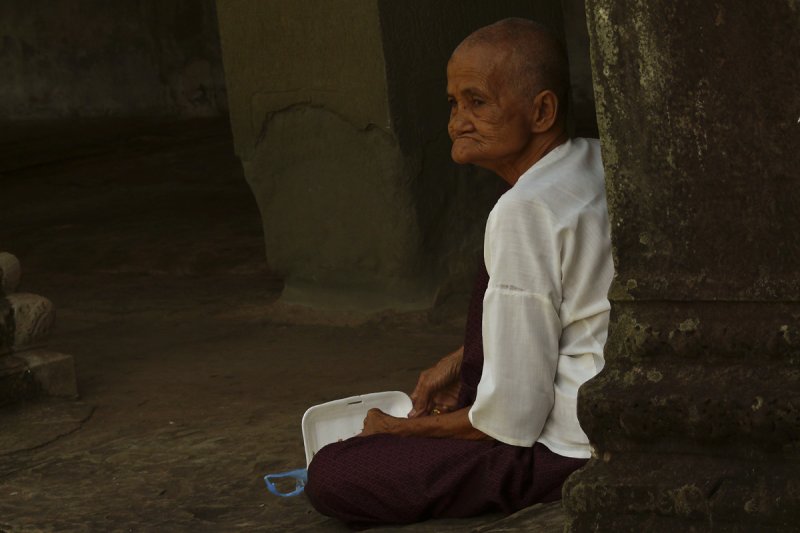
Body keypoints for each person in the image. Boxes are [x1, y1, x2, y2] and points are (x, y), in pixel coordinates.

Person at [304, 18, 613, 527]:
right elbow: (575, 308)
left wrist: (398, 433)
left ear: (542, 111)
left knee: (335, 472)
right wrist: (468, 357)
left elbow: (511, 423)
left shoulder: (524, 211)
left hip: (565, 447)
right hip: (604, 410)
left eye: (478, 102)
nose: (457, 121)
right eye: (453, 103)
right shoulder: (594, 160)